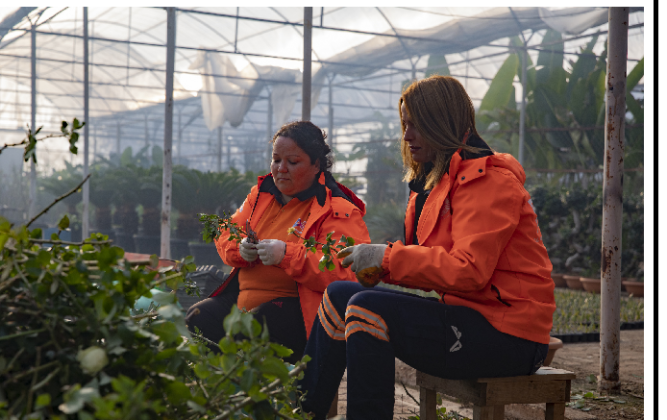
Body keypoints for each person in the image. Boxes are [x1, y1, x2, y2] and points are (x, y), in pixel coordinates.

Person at [298, 75, 556, 419]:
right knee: (338, 295)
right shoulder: (434, 184)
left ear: (442, 123)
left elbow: (468, 271)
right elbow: (435, 268)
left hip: (510, 336)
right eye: (405, 125)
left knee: (366, 308)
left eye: (416, 126)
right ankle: (300, 413)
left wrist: (387, 257)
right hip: (467, 316)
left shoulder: (489, 181)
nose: (407, 136)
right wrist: (381, 265)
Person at [185, 121, 370, 364]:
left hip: (299, 313)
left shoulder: (339, 209)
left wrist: (286, 254)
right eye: (276, 160)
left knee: (257, 323)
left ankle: (264, 392)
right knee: (198, 316)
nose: (281, 168)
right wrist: (239, 248)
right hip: (245, 301)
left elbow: (345, 271)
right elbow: (227, 230)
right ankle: (224, 390)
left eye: (293, 162)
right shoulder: (260, 196)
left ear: (316, 165)